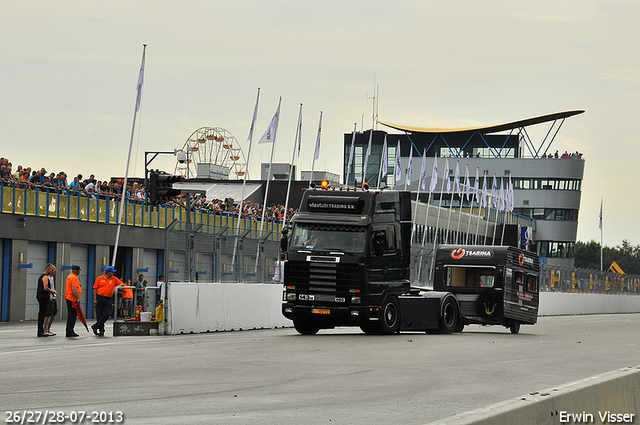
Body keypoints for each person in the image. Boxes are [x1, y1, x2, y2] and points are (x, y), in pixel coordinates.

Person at [91, 266, 124, 336]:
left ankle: (95, 326)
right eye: (112, 272)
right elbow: (95, 289)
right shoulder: (100, 278)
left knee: (107, 314)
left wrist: (116, 287)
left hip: (108, 298)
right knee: (99, 315)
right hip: (99, 297)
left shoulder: (114, 279)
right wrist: (95, 299)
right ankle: (101, 330)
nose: (113, 273)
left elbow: (122, 284)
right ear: (108, 272)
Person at [36, 263, 57, 337]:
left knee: (43, 313)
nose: (53, 270)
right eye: (51, 269)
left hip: (42, 297)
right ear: (48, 269)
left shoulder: (45, 276)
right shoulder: (45, 277)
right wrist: (52, 291)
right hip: (43, 297)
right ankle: (40, 331)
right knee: (42, 314)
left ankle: (41, 331)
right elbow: (45, 287)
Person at [65, 265, 82, 337]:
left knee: (71, 315)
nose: (79, 272)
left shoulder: (69, 276)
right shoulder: (74, 278)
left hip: (68, 298)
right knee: (72, 316)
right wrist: (78, 298)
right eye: (78, 270)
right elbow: (74, 288)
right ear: (76, 270)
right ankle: (69, 331)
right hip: (72, 299)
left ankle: (70, 330)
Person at [42, 265, 58, 336]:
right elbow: (46, 288)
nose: (55, 270)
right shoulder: (46, 277)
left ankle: (48, 329)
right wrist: (49, 295)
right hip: (49, 298)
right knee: (47, 314)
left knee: (53, 313)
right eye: (53, 269)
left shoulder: (52, 277)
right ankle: (45, 329)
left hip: (53, 297)